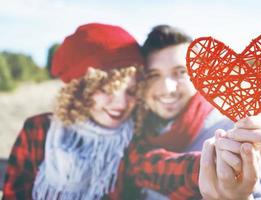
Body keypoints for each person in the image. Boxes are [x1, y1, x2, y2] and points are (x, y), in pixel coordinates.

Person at [2, 23, 202, 200]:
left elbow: (162, 167)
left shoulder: (129, 141)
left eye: (131, 91)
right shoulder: (39, 129)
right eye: (107, 90)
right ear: (80, 90)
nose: (121, 104)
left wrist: (212, 163)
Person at [133, 24, 261, 199]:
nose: (168, 89)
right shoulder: (135, 131)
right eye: (153, 75)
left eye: (181, 72)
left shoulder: (242, 128)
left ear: (198, 73)